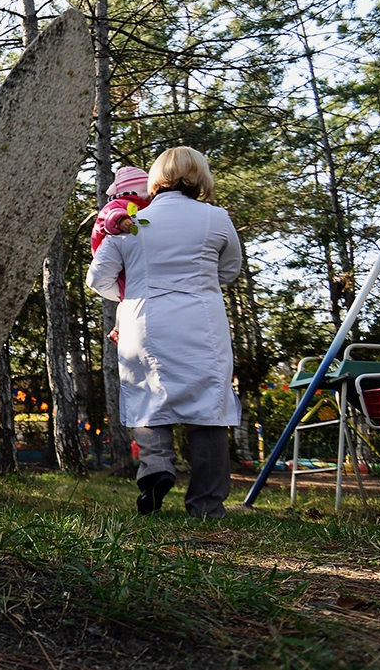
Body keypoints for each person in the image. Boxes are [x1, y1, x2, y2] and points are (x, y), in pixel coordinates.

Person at [86, 147, 242, 518]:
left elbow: (97, 278)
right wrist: (199, 283)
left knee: (148, 400)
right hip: (201, 321)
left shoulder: (130, 221)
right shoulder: (215, 218)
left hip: (143, 320)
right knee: (209, 408)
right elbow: (230, 270)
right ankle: (206, 505)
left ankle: (156, 469)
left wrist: (130, 293)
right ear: (200, 176)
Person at [90, 165, 152, 344]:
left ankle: (118, 328)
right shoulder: (119, 203)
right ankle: (120, 329)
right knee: (127, 291)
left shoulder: (143, 205)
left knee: (125, 297)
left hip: (124, 256)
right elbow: (109, 217)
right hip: (111, 254)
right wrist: (121, 220)